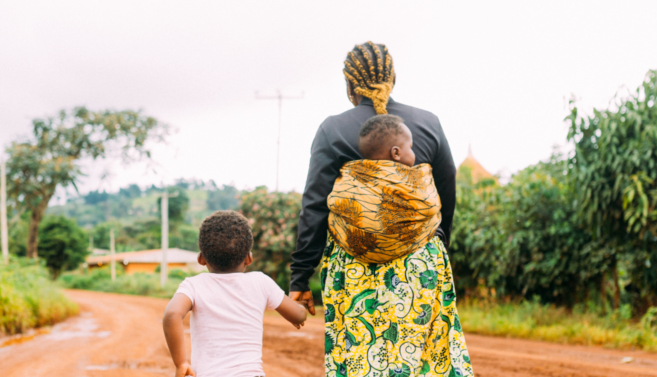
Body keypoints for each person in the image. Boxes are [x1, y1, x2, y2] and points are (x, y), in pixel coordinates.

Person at [290, 42, 473, 376]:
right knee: (427, 360)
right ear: (393, 77)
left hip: (354, 267)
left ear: (349, 84)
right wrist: (435, 246)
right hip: (421, 263)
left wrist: (300, 276)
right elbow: (447, 193)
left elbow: (315, 206)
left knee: (360, 357)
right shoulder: (428, 123)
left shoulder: (332, 129)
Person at [162, 210, 308, 377]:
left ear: (201, 259)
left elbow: (172, 314)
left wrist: (181, 363)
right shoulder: (261, 282)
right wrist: (302, 306)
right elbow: (297, 315)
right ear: (249, 258)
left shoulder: (193, 285)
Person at [327, 114, 442, 264]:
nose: (413, 153)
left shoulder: (351, 177)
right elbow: (430, 204)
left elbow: (336, 200)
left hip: (357, 260)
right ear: (396, 153)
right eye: (410, 147)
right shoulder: (416, 180)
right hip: (410, 260)